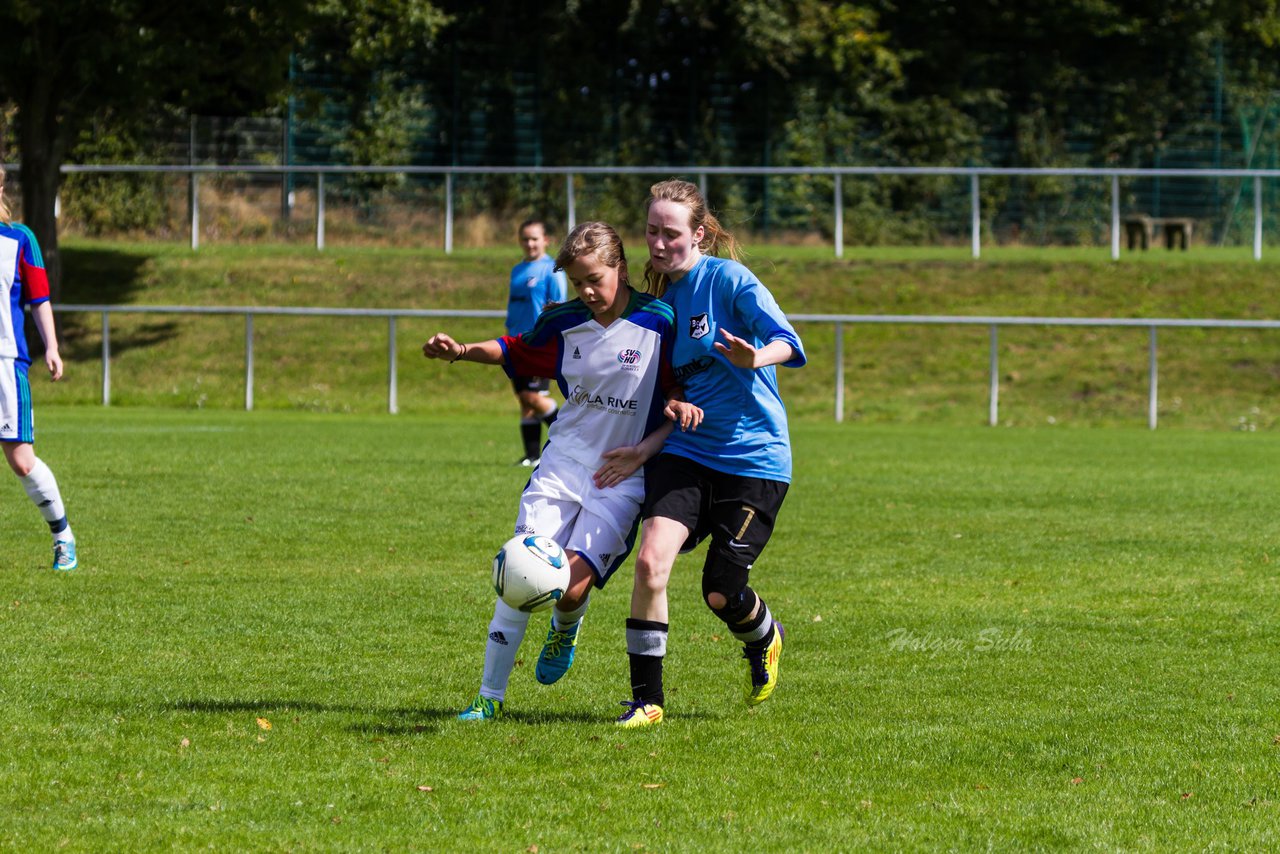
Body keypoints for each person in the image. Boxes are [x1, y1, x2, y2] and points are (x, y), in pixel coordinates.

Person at [422, 221, 701, 722]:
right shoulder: (565, 321)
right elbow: (512, 348)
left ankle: (566, 627)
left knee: (571, 588)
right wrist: (462, 351)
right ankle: (488, 698)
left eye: (595, 278)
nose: (587, 291)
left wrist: (675, 410)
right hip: (562, 465)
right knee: (520, 574)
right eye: (577, 282)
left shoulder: (659, 321)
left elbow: (675, 386)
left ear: (619, 267)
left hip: (620, 476)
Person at [615, 179, 806, 727]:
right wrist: (674, 400)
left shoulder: (730, 280)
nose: (657, 243)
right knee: (651, 564)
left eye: (669, 233)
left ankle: (765, 635)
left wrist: (755, 359)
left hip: (755, 461)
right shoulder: (663, 307)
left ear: (698, 234)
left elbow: (787, 342)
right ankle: (647, 701)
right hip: (688, 452)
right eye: (650, 231)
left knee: (721, 593)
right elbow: (668, 382)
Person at [0, 166, 77, 571]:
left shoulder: (20, 239)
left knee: (22, 462)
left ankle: (63, 536)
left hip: (6, 362)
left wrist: (52, 345)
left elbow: (40, 298)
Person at [505, 219, 567, 466]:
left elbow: (559, 306)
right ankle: (532, 456)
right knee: (525, 400)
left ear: (545, 240)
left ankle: (570, 435)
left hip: (538, 342)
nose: (530, 243)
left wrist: (551, 338)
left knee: (532, 397)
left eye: (534, 238)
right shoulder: (517, 270)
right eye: (525, 238)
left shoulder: (552, 270)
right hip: (516, 343)